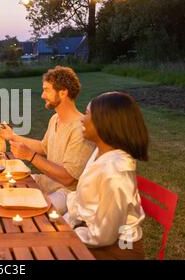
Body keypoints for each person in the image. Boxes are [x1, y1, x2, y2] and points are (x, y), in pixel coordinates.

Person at [0, 66, 94, 214]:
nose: (42, 95)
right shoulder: (55, 119)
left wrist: (30, 156)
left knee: (24, 211)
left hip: (67, 193)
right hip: (47, 182)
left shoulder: (80, 129)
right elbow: (44, 147)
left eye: (46, 90)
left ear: (63, 92)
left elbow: (68, 179)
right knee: (2, 185)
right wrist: (12, 137)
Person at [64, 91, 148, 260]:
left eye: (87, 114)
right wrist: (64, 222)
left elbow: (104, 235)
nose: (82, 119)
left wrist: (66, 234)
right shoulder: (100, 152)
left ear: (105, 123)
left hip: (118, 249)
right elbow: (83, 202)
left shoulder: (115, 173)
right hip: (92, 235)